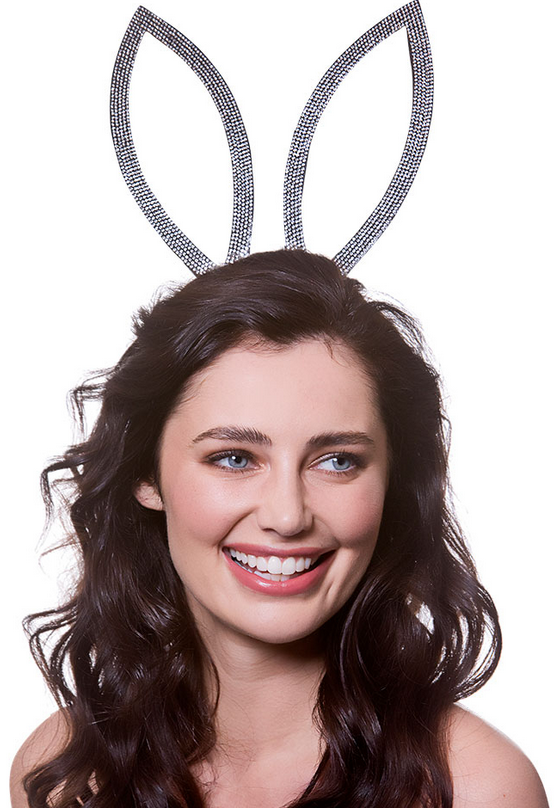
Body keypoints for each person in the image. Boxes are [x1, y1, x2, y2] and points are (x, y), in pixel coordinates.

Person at [11, 250, 548, 807]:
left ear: (393, 481)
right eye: (234, 458)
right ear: (145, 474)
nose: (287, 516)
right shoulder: (66, 771)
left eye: (338, 461)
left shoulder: (475, 788)